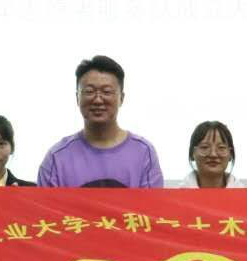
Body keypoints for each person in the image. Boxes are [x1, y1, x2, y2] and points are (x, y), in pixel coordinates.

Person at [37, 55, 163, 188]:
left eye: (107, 92)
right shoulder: (56, 158)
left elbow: (152, 201)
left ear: (121, 98)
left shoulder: (144, 153)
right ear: (77, 98)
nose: (98, 100)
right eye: (89, 91)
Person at [177, 120, 247, 188]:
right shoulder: (177, 194)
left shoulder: (245, 194)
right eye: (205, 147)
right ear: (192, 153)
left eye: (221, 147)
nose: (213, 154)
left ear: (230, 154)